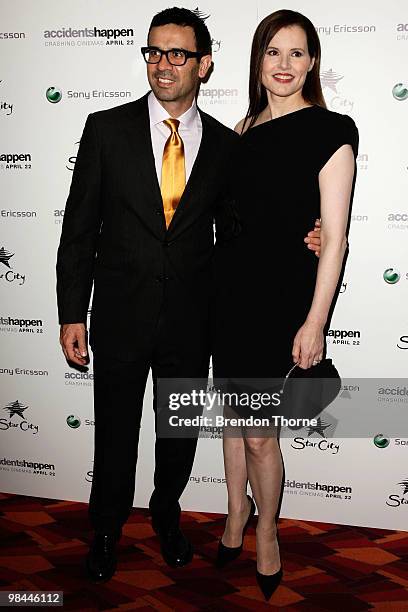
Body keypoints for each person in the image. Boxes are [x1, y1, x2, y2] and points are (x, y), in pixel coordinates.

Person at [56, 7, 322, 584]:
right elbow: (78, 227)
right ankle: (105, 530)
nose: (162, 64)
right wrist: (71, 313)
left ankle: (166, 517)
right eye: (153, 51)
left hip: (193, 320)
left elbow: (250, 223)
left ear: (203, 65)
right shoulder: (106, 129)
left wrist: (312, 232)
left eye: (177, 53)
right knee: (115, 434)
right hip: (121, 315)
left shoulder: (231, 146)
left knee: (176, 435)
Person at [213, 9, 358, 601]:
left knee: (258, 435)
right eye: (273, 51)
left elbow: (337, 233)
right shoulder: (239, 133)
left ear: (313, 63)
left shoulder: (333, 130)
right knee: (233, 417)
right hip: (230, 294)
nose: (284, 64)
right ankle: (233, 513)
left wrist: (315, 319)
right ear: (258, 60)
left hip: (284, 299)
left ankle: (267, 532)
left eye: (297, 53)